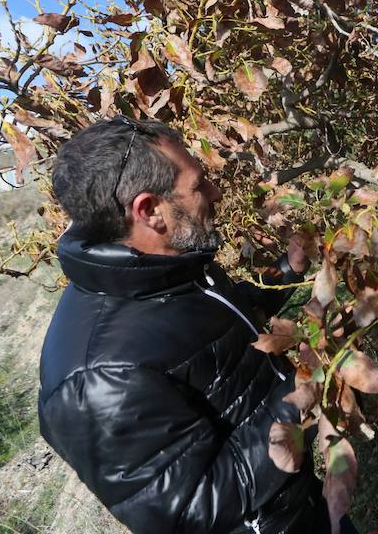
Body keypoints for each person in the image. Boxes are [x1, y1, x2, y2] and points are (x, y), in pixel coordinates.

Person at [38, 116, 350, 533]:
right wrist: (308, 391)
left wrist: (288, 269)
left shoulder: (163, 269)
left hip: (296, 502)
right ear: (150, 210)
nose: (216, 193)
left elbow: (225, 324)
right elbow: (192, 510)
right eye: (199, 185)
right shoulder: (96, 379)